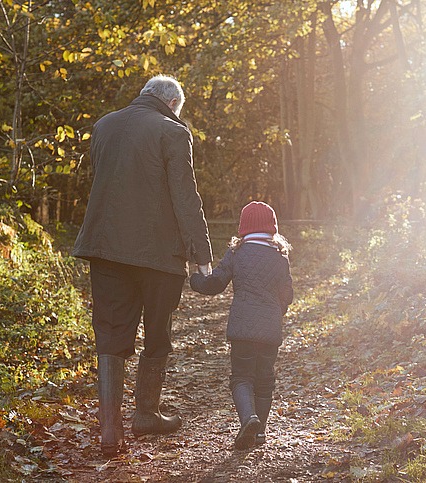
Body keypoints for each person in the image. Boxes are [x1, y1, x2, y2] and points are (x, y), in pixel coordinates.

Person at [72, 74, 213, 458]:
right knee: (156, 334)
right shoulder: (172, 131)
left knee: (111, 333)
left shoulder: (104, 125)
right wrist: (202, 256)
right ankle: (146, 414)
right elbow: (186, 196)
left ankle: (109, 429)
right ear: (171, 104)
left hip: (106, 248)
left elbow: (104, 182)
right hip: (158, 254)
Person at [190, 201, 293, 450]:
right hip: (269, 330)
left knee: (241, 377)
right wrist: (275, 313)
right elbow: (287, 295)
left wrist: (195, 280)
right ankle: (260, 433)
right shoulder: (280, 257)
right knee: (265, 380)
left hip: (242, 329)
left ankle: (249, 418)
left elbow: (215, 283)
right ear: (273, 228)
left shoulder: (237, 253)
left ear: (243, 228)